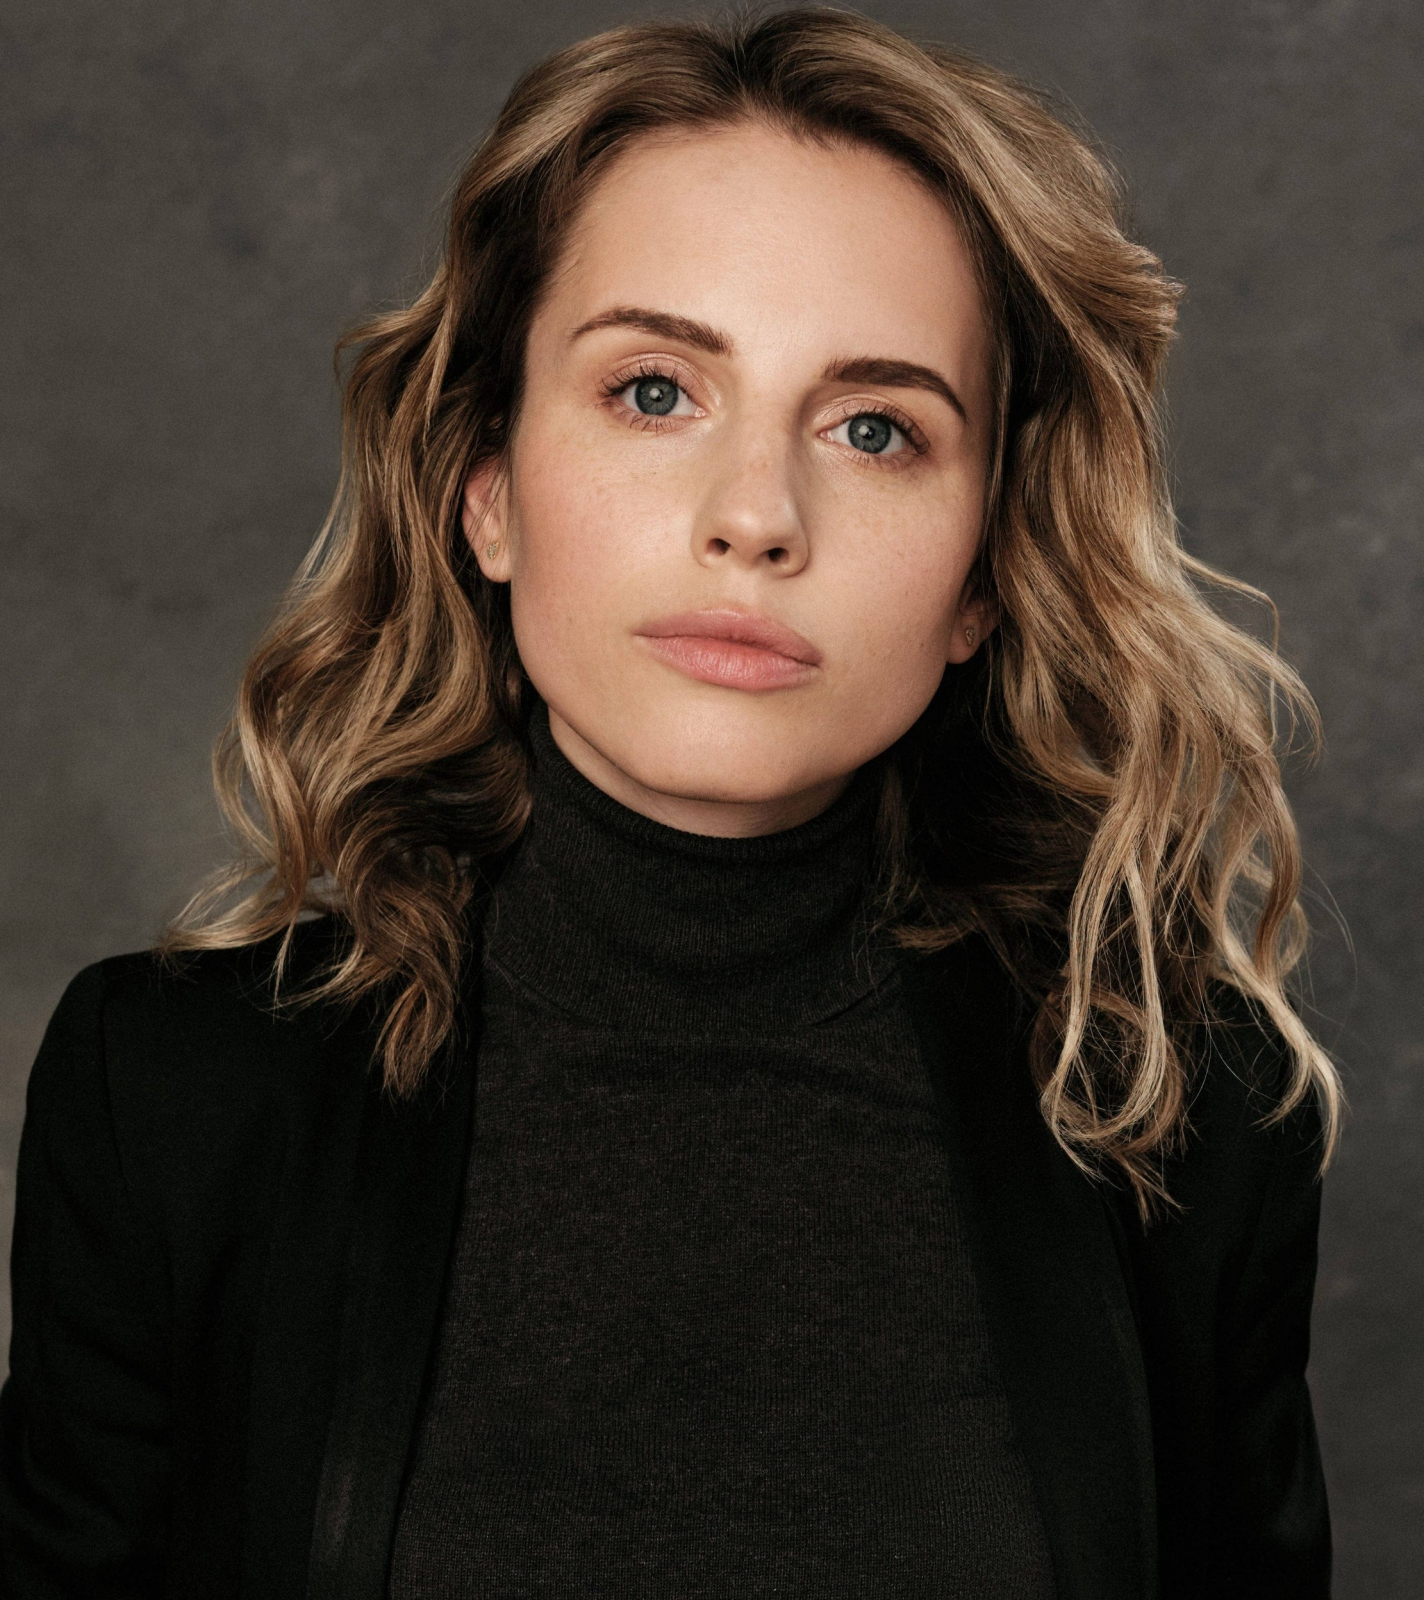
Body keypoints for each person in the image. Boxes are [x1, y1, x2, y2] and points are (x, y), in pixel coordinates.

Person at [0, 9, 1341, 1598]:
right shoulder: (171, 1100)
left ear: (986, 571)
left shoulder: (1185, 1118)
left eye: (876, 429)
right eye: (654, 392)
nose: (756, 517)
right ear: (486, 490)